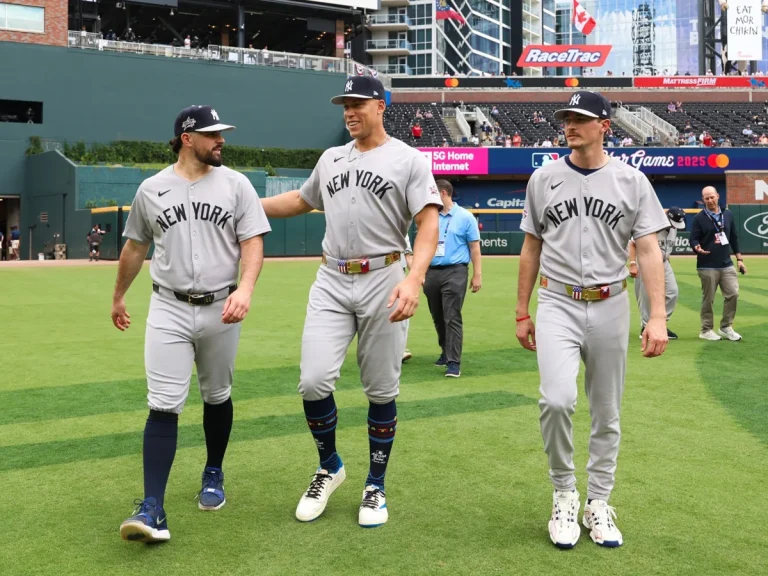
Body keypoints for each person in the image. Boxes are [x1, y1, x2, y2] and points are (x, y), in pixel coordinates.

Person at [259, 75, 441, 528]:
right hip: (332, 277)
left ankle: (375, 483)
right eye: (345, 104)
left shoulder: (408, 159)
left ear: (381, 106)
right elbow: (301, 202)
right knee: (314, 380)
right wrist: (249, 203)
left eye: (358, 103)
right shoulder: (331, 158)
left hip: (385, 276)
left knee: (380, 388)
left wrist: (414, 280)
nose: (349, 111)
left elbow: (428, 223)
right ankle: (330, 465)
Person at [515, 90, 670, 550]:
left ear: (605, 125)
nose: (570, 124)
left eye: (580, 118)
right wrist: (522, 311)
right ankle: (564, 491)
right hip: (557, 302)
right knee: (557, 400)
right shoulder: (543, 179)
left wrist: (656, 316)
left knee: (607, 410)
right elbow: (530, 248)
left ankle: (598, 501)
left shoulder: (632, 181)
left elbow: (648, 250)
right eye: (566, 117)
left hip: (610, 302)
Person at [113, 105, 271, 544]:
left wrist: (246, 289)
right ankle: (153, 508)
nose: (221, 140)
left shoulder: (236, 185)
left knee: (217, 394)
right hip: (168, 307)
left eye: (222, 134)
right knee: (163, 402)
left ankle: (213, 470)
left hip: (222, 305)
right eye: (212, 134)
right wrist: (119, 295)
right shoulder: (151, 189)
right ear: (187, 138)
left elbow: (252, 243)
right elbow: (135, 247)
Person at [422, 180, 481, 378]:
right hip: (432, 271)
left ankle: (454, 362)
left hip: (456, 271)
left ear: (444, 193)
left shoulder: (465, 217)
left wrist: (477, 274)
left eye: (434, 194)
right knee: (437, 316)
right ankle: (445, 351)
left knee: (452, 315)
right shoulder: (430, 217)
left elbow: (474, 247)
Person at [690, 186, 746, 341]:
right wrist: (696, 247)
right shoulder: (699, 218)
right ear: (703, 200)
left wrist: (739, 260)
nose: (710, 200)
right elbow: (693, 238)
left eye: (712, 197)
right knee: (709, 299)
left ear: (718, 196)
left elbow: (734, 237)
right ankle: (706, 329)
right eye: (706, 198)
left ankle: (726, 327)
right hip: (707, 265)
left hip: (726, 264)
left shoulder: (727, 215)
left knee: (733, 294)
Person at [628, 206, 686, 339]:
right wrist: (632, 264)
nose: (674, 226)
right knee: (646, 296)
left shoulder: (674, 228)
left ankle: (660, 323)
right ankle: (645, 327)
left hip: (663, 262)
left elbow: (667, 247)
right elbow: (632, 243)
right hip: (646, 262)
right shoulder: (651, 224)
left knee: (672, 292)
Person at [402, 234, 414, 362]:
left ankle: (399, 349)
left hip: (398, 274)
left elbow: (408, 255)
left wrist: (418, 275)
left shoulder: (403, 230)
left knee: (403, 311)